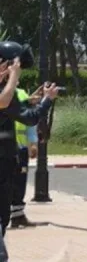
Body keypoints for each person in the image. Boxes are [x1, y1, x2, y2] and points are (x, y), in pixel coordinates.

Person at [0, 53, 58, 262]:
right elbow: (8, 105)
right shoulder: (6, 92)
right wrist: (46, 101)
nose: (14, 69)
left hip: (5, 162)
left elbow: (14, 106)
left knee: (3, 219)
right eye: (10, 64)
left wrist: (36, 100)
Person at [9, 87, 38, 228]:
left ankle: (18, 215)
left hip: (20, 147)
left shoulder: (21, 93)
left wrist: (33, 142)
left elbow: (29, 120)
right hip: (4, 147)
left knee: (20, 182)